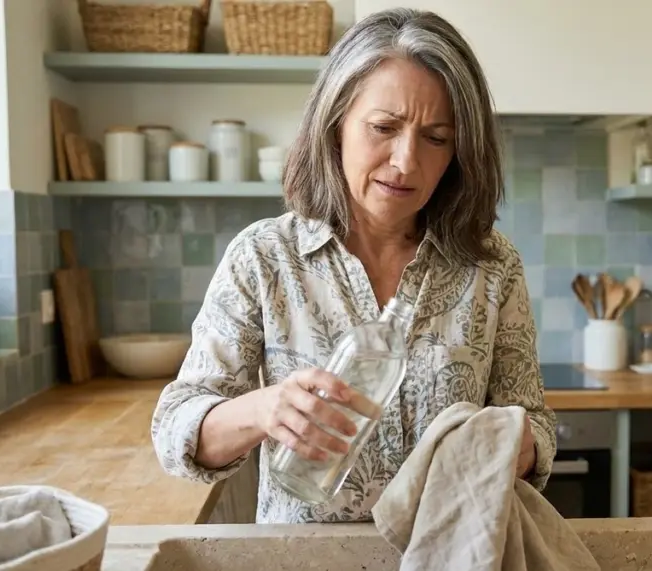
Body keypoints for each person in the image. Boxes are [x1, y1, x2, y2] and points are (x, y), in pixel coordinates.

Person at [150, 7, 557, 524]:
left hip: (453, 554)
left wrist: (517, 444)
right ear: (336, 121)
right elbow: (175, 429)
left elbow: (538, 426)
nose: (406, 161)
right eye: (384, 127)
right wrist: (264, 410)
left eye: (436, 138)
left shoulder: (491, 265)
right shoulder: (265, 258)